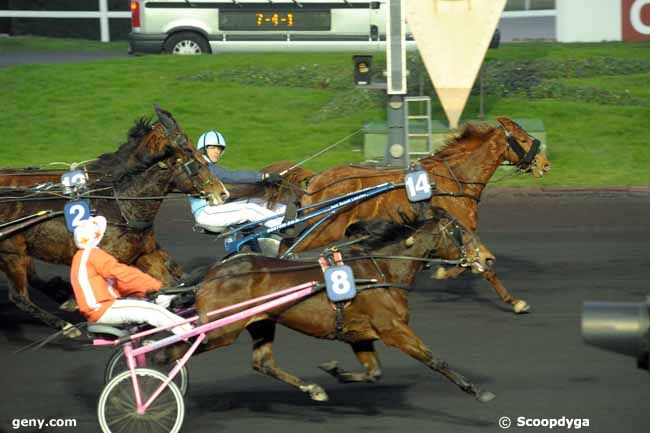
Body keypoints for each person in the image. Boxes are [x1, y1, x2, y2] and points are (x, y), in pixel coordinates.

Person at [70, 216, 192, 336]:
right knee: (154, 311)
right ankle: (191, 334)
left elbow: (120, 283)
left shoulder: (82, 257)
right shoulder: (94, 255)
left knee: (151, 304)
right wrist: (156, 286)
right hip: (103, 309)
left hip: (101, 308)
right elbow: (124, 274)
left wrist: (145, 293)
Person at [189, 130, 287, 233]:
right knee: (250, 209)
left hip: (216, 209)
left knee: (257, 202)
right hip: (206, 214)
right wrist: (263, 176)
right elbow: (232, 176)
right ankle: (283, 225)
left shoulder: (209, 166)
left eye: (219, 148)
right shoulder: (202, 167)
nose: (217, 151)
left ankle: (288, 212)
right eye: (212, 147)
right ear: (203, 149)